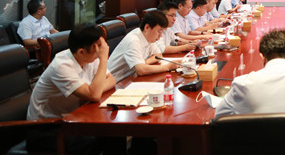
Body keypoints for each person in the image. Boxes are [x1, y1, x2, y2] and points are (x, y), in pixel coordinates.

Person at [26, 23, 117, 153]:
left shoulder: (89, 56)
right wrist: (103, 60)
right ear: (81, 52)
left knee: (114, 131)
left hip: (73, 118)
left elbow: (111, 80)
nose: (101, 51)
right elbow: (94, 95)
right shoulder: (61, 66)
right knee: (98, 137)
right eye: (98, 47)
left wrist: (93, 89)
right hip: (46, 128)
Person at [107, 10, 175, 82]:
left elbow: (158, 55)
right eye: (159, 31)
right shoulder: (133, 40)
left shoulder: (148, 36)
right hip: (116, 82)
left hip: (130, 77)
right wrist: (168, 67)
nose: (160, 36)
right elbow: (141, 70)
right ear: (147, 27)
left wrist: (144, 63)